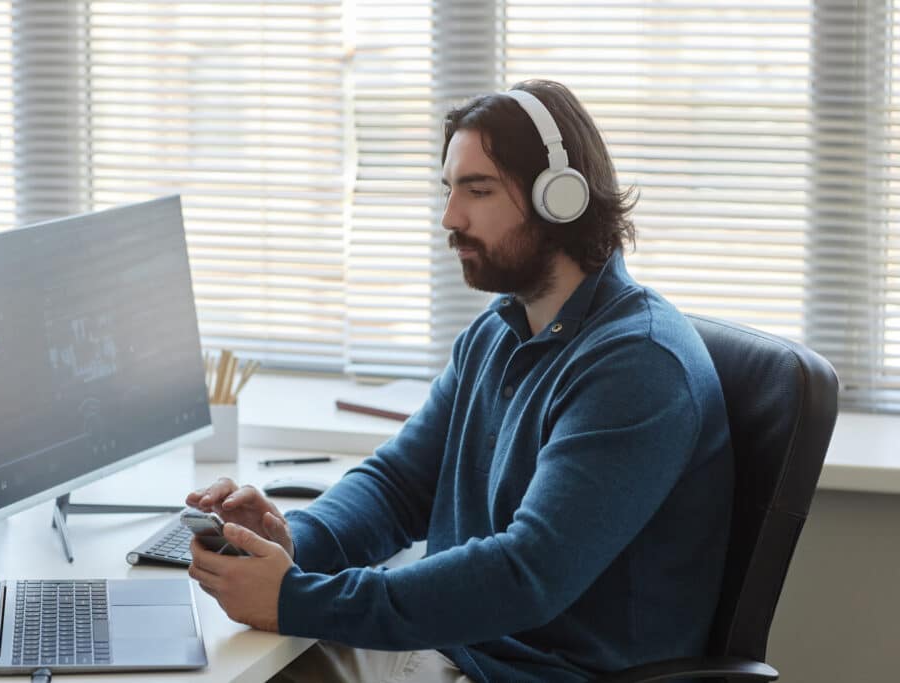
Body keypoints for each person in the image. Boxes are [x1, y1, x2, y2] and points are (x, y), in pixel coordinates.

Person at [185, 79, 734, 683]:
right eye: (449, 190)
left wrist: (294, 600)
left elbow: (528, 574)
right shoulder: (499, 332)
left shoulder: (638, 364)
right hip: (465, 651)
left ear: (561, 198)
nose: (450, 217)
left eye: (478, 190)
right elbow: (399, 485)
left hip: (533, 672)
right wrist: (296, 542)